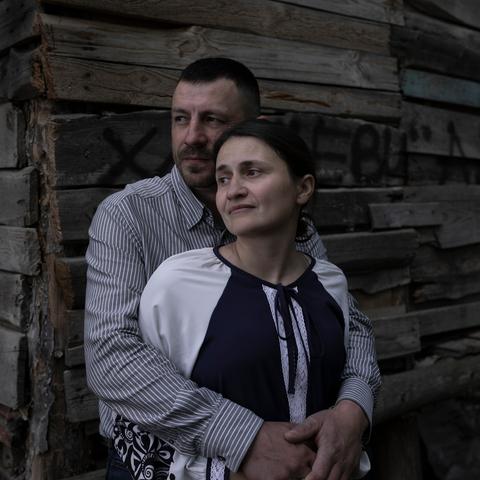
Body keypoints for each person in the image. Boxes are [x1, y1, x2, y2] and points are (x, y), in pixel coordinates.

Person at [85, 57, 381, 480]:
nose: (192, 136)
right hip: (162, 461)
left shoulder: (290, 226)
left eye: (212, 120)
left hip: (294, 457)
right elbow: (111, 355)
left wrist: (353, 409)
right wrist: (245, 436)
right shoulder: (130, 215)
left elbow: (350, 324)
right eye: (180, 118)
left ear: (253, 127)